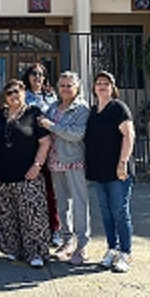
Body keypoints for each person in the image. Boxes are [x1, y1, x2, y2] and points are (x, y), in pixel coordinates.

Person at [0, 78, 51, 268]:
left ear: (24, 93)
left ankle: (36, 252)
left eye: (17, 91)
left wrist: (37, 165)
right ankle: (12, 249)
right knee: (8, 214)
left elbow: (45, 142)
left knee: (32, 215)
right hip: (2, 174)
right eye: (9, 93)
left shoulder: (34, 113)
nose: (13, 95)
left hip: (28, 175)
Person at [84, 71, 136, 273]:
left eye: (106, 83)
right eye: (99, 83)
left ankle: (125, 252)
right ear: (94, 87)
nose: (102, 86)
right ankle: (112, 249)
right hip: (100, 170)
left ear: (113, 87)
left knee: (119, 211)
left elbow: (129, 135)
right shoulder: (94, 111)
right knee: (105, 213)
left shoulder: (118, 108)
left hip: (118, 170)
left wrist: (122, 162)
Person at [38, 71, 91, 265]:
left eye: (69, 86)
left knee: (79, 203)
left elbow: (77, 134)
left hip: (74, 159)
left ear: (77, 87)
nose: (65, 89)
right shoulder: (53, 106)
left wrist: (51, 126)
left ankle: (82, 245)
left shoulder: (81, 108)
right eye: (62, 85)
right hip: (55, 159)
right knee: (61, 203)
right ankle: (67, 240)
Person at [21, 63, 62, 247]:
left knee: (51, 192)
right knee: (29, 192)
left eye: (41, 74)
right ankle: (29, 230)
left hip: (51, 148)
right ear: (28, 76)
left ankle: (54, 228)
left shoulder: (52, 96)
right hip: (30, 149)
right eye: (33, 74)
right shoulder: (23, 96)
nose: (37, 77)